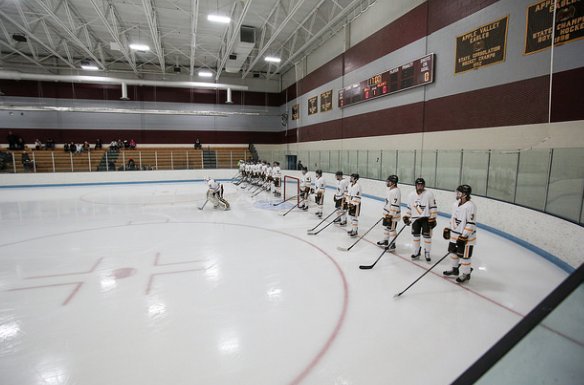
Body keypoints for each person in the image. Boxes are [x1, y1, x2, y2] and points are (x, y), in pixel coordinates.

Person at [443, 185, 477, 283]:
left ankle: (466, 274)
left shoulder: (471, 206)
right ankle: (455, 270)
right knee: (453, 253)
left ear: (465, 194)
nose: (457, 194)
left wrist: (464, 235)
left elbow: (471, 223)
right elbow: (453, 218)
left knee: (464, 256)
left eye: (459, 192)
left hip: (466, 238)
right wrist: (449, 228)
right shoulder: (455, 204)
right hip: (454, 235)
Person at [403, 177, 437, 262]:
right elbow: (409, 208)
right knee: (416, 236)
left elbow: (433, 207)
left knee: (427, 237)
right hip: (415, 220)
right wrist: (407, 216)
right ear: (416, 185)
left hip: (426, 219)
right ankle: (416, 251)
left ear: (424, 185)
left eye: (421, 185)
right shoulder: (411, 195)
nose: (420, 186)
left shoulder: (429, 194)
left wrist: (433, 218)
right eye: (418, 185)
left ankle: (427, 252)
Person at [377, 175, 401, 251]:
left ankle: (392, 244)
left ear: (393, 183)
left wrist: (391, 215)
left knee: (392, 229)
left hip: (392, 215)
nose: (387, 182)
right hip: (387, 214)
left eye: (388, 181)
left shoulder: (396, 191)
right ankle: (386, 240)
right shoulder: (390, 190)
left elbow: (395, 204)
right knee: (387, 228)